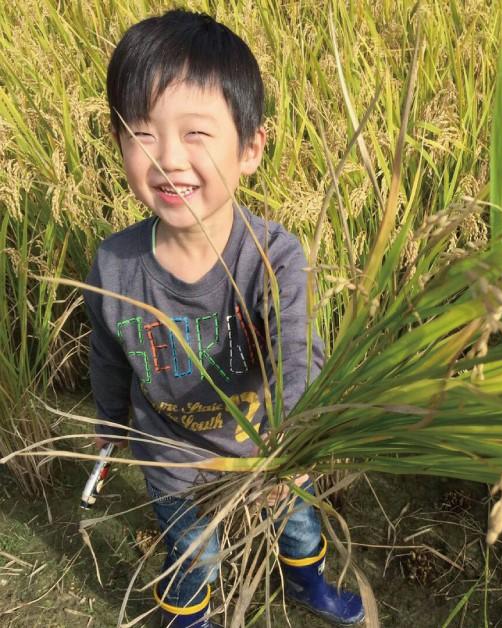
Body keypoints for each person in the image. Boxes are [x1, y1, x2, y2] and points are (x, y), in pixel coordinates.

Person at [83, 8, 364, 628]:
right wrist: (108, 423)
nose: (167, 159)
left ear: (251, 148)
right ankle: (188, 615)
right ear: (118, 141)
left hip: (267, 440)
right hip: (169, 451)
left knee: (296, 519)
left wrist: (288, 447)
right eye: (143, 132)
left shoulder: (273, 257)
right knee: (193, 551)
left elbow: (298, 350)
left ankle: (307, 582)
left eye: (197, 134)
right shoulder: (115, 263)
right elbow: (106, 355)